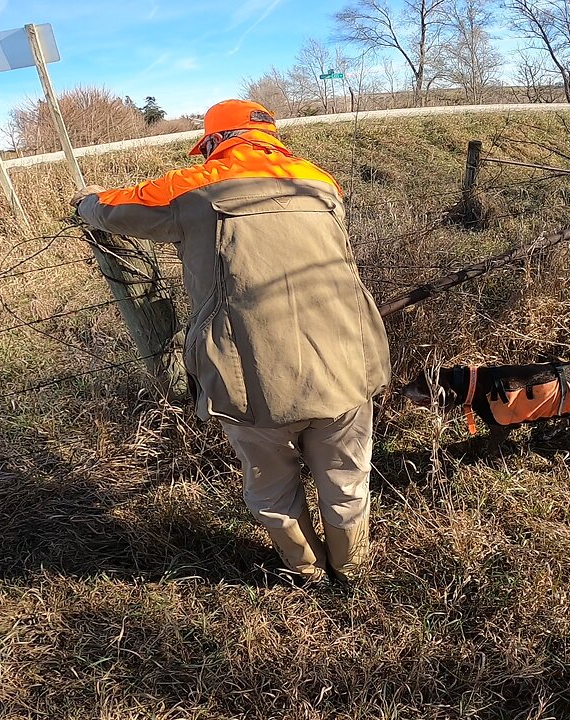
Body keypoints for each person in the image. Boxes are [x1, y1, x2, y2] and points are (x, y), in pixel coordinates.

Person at [70, 99, 390, 584]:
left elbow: (114, 209)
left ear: (216, 142)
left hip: (251, 377)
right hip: (347, 360)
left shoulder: (192, 187)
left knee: (272, 490)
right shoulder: (321, 181)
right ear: (271, 135)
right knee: (347, 481)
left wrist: (85, 201)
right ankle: (352, 569)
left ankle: (308, 572)